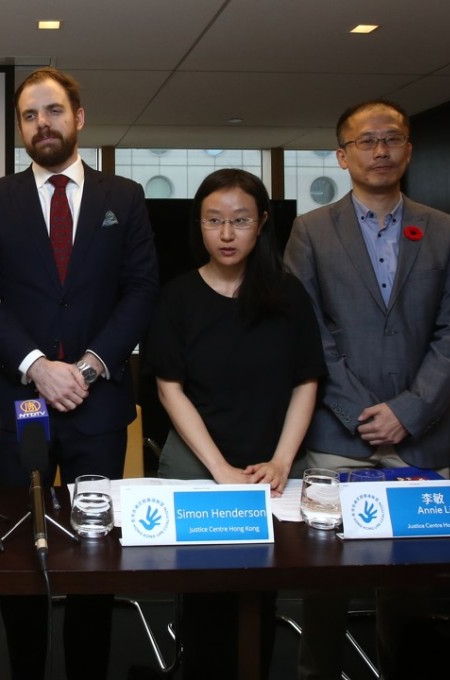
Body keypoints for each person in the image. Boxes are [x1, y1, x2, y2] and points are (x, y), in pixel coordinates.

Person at [0, 67, 158, 679]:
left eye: (52, 111)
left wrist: (92, 365)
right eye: (29, 115)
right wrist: (37, 367)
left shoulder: (123, 196)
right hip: (18, 401)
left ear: (79, 118)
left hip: (98, 408)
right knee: (19, 549)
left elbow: (141, 289)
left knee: (93, 552)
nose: (41, 124)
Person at [283, 99, 450, 680]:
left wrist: (408, 412)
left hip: (420, 435)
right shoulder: (311, 231)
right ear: (342, 157)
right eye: (365, 141)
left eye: (391, 138)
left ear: (409, 150)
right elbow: (306, 331)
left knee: (409, 581)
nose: (380, 150)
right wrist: (361, 411)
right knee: (325, 578)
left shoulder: (445, 231)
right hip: (338, 434)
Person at [144, 168, 325, 678]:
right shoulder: (178, 295)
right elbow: (169, 388)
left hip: (272, 469)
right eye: (213, 221)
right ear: (198, 225)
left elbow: (306, 381)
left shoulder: (288, 295)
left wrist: (283, 461)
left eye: (240, 220)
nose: (226, 234)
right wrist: (220, 470)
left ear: (262, 223)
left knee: (260, 594)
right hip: (199, 466)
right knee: (203, 596)